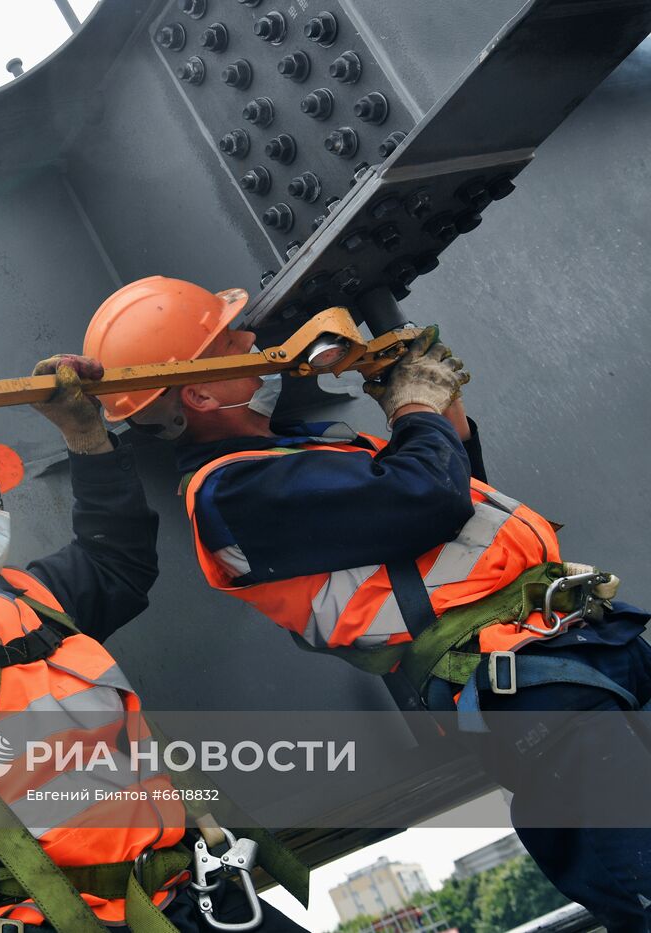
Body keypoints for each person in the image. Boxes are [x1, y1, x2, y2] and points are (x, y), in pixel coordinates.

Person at [81, 275, 651, 932]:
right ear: (202, 390)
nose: (253, 339)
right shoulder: (230, 494)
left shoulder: (299, 451)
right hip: (529, 689)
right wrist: (412, 410)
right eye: (230, 337)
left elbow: (453, 505)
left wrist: (438, 412)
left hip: (576, 652)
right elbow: (427, 497)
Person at [0, 346, 310, 932]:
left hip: (186, 899)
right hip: (37, 920)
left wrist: (86, 434)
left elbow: (117, 560)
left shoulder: (29, 595)